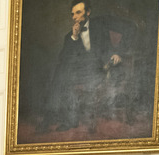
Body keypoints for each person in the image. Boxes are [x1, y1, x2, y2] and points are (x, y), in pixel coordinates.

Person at [38, 0, 135, 134]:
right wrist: (75, 37)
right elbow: (63, 59)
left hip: (102, 69)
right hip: (82, 72)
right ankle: (66, 119)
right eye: (73, 14)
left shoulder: (101, 23)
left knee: (62, 73)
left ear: (88, 12)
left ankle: (50, 119)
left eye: (78, 12)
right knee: (62, 70)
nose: (75, 17)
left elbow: (131, 27)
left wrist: (118, 52)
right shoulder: (70, 36)